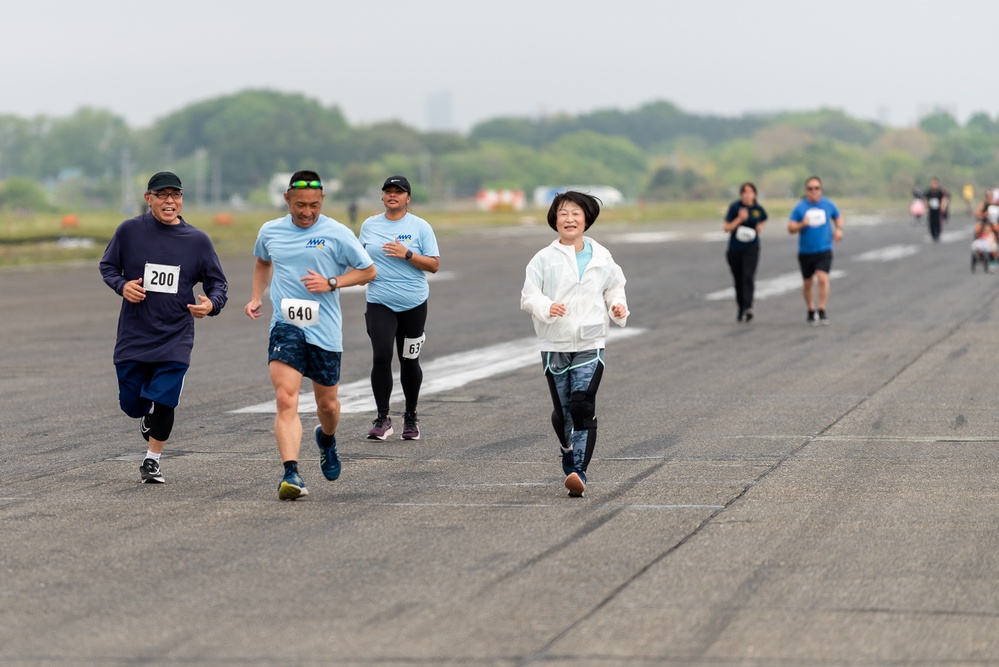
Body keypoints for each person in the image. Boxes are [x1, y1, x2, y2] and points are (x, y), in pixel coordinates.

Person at [245, 171, 376, 501]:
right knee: (286, 398)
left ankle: (327, 440)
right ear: (287, 199)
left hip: (325, 330)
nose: (307, 212)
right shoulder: (270, 231)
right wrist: (257, 296)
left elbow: (368, 271)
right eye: (300, 205)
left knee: (327, 405)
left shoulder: (336, 232)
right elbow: (263, 261)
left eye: (314, 206)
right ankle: (291, 473)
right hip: (286, 325)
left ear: (323, 201)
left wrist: (332, 283)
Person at [99, 171, 228, 484]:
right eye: (162, 195)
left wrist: (211, 304)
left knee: (166, 398)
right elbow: (108, 266)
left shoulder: (197, 240)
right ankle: (146, 416)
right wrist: (122, 286)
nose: (169, 201)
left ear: (181, 199)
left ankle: (152, 460)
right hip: (135, 334)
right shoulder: (129, 231)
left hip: (175, 335)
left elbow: (218, 284)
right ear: (149, 199)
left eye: (175, 195)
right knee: (132, 404)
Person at [520, 190, 629, 498]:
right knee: (564, 410)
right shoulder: (543, 259)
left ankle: (578, 471)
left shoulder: (601, 256)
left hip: (590, 340)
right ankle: (567, 448)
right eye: (563, 213)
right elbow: (529, 296)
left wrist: (617, 306)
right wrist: (545, 306)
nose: (569, 219)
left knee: (582, 405)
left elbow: (614, 287)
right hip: (554, 341)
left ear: (586, 219)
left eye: (575, 213)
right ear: (554, 219)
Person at [358, 176, 440, 441]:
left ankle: (411, 417)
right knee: (381, 355)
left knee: (409, 360)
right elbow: (359, 259)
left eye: (399, 192)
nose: (393, 195)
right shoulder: (369, 225)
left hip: (413, 302)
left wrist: (407, 253)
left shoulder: (420, 227)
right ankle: (383, 418)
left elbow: (434, 265)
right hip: (380, 300)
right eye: (388, 191)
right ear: (382, 196)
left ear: (408, 198)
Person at [787, 176, 843, 325]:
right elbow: (791, 228)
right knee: (807, 283)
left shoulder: (828, 204)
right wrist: (801, 225)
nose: (813, 191)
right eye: (810, 189)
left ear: (821, 190)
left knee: (823, 278)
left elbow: (838, 217)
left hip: (824, 249)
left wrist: (838, 229)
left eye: (816, 188)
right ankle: (811, 309)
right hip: (806, 251)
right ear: (806, 191)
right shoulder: (800, 207)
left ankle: (822, 309)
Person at [722, 182, 768, 322]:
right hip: (735, 249)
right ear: (741, 194)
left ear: (755, 194)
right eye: (745, 192)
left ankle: (748, 307)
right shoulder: (735, 208)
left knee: (748, 276)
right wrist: (740, 219)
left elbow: (764, 218)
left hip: (751, 248)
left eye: (750, 192)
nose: (748, 195)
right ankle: (741, 307)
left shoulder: (758, 209)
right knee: (738, 279)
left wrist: (760, 226)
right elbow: (727, 227)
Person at [924, 177, 950, 241]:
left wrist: (943, 206)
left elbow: (943, 199)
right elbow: (925, 199)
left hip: (938, 210)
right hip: (931, 210)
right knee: (931, 222)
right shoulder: (929, 191)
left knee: (938, 222)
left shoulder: (940, 192)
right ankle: (933, 234)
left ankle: (938, 234)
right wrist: (926, 207)